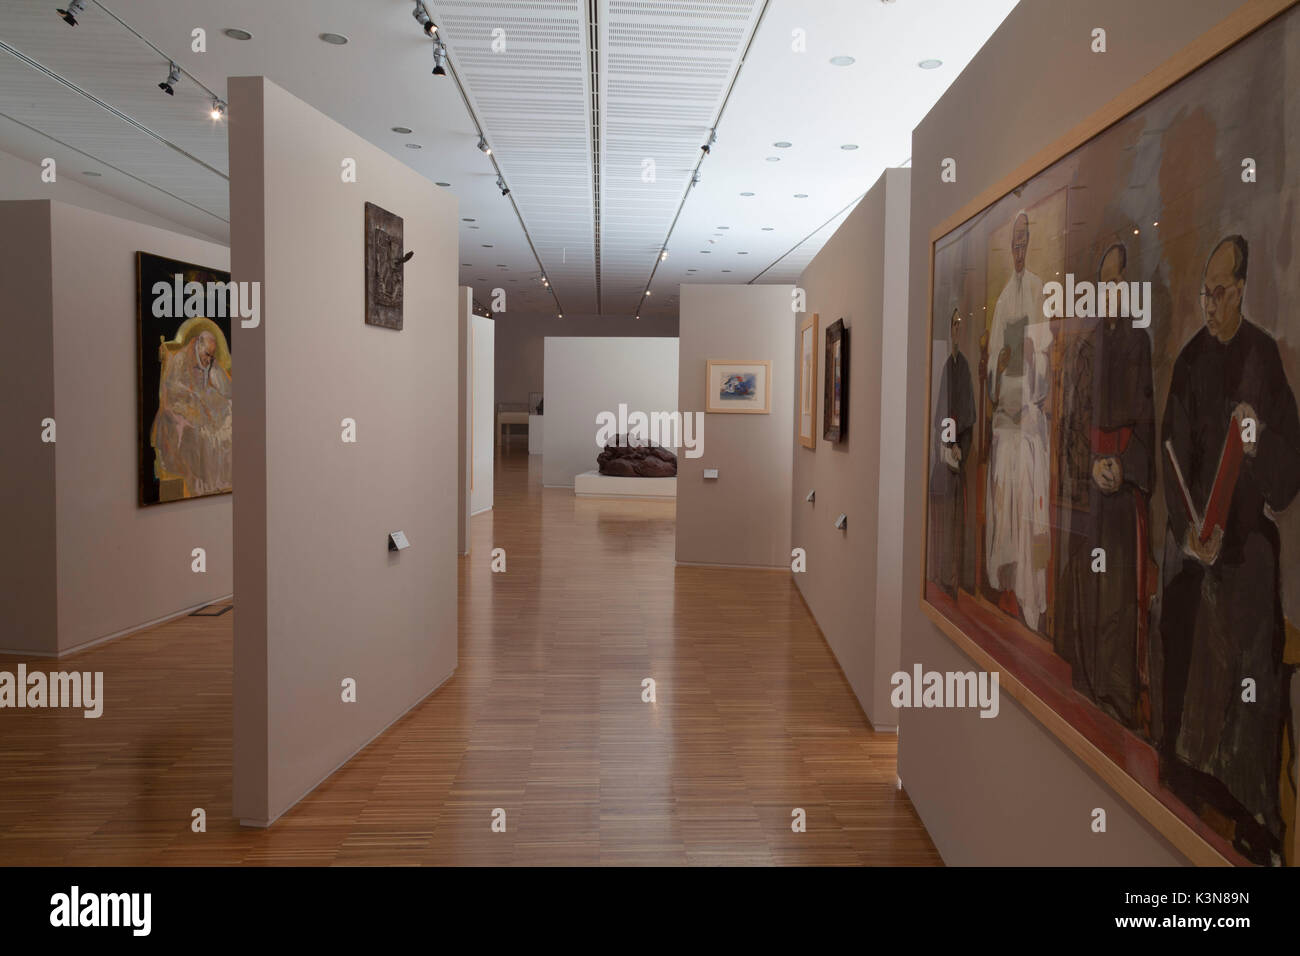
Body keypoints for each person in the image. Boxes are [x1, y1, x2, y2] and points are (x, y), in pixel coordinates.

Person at [1159, 234, 1300, 865]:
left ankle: (1250, 806)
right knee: (1181, 606)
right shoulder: (1189, 362)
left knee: (1253, 623)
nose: (1208, 305)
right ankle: (1190, 773)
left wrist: (1257, 438)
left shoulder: (1264, 358)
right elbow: (1172, 458)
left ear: (1241, 288)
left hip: (1247, 545)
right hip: (1200, 546)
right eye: (1203, 293)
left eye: (1218, 293)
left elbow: (1288, 475)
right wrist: (1188, 531)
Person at [1054, 243, 1155, 731]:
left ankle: (1116, 692)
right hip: (1091, 483)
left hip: (1122, 484)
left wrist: (1124, 466)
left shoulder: (1139, 342)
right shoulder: (1086, 345)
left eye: (1117, 281)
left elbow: (1148, 419)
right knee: (1091, 583)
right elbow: (1073, 419)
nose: (1110, 290)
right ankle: (1091, 679)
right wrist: (1089, 465)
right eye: (1104, 283)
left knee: (1118, 590)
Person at [985, 211, 1053, 630]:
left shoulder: (1041, 290)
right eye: (1015, 242)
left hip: (1029, 424)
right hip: (1005, 425)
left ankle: (1034, 597)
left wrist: (1033, 359)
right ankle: (1008, 589)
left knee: (1033, 515)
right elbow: (992, 365)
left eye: (1025, 240)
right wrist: (1002, 363)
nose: (1020, 249)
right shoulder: (1003, 301)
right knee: (1004, 512)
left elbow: (1048, 367)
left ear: (1031, 242)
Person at [151, 326, 233, 497]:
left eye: (212, 356)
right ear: (198, 346)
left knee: (230, 418)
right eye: (206, 355)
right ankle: (209, 485)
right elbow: (172, 392)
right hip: (182, 407)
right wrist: (193, 398)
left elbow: (224, 388)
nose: (208, 360)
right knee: (203, 435)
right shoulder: (181, 359)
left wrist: (213, 384)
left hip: (206, 403)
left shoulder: (210, 361)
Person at [929, 309, 976, 595]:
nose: (956, 331)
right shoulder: (948, 365)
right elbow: (940, 416)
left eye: (960, 325)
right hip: (944, 458)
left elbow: (967, 416)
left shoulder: (965, 367)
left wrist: (960, 448)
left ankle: (953, 577)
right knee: (942, 520)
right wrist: (946, 444)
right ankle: (941, 574)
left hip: (957, 456)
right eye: (953, 325)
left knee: (956, 522)